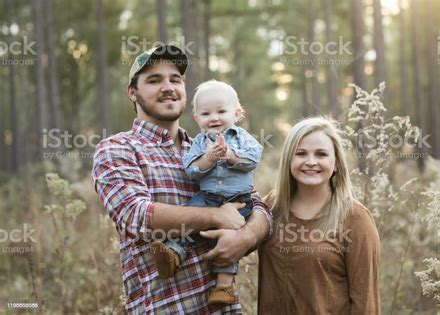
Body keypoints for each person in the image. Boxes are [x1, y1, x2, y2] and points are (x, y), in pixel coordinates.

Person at [91, 45, 272, 314]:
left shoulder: (204, 147)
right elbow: (135, 215)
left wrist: (246, 237)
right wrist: (216, 216)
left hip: (224, 308)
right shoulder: (118, 149)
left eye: (175, 79)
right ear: (133, 92)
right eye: (154, 80)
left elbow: (257, 206)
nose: (168, 87)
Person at [151, 80, 263, 305]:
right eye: (206, 113)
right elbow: (191, 169)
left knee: (228, 239)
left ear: (236, 113)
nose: (214, 118)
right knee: (189, 214)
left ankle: (224, 286)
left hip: (239, 200)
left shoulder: (241, 138)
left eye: (221, 111)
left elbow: (253, 159)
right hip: (208, 197)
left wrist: (231, 156)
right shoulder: (200, 143)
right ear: (196, 118)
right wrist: (208, 158)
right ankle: (174, 253)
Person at [258, 116, 380, 314]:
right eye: (301, 154)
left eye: (321, 154)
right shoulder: (271, 206)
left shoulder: (356, 218)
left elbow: (365, 301)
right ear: (289, 159)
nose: (311, 162)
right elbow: (235, 245)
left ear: (337, 163)